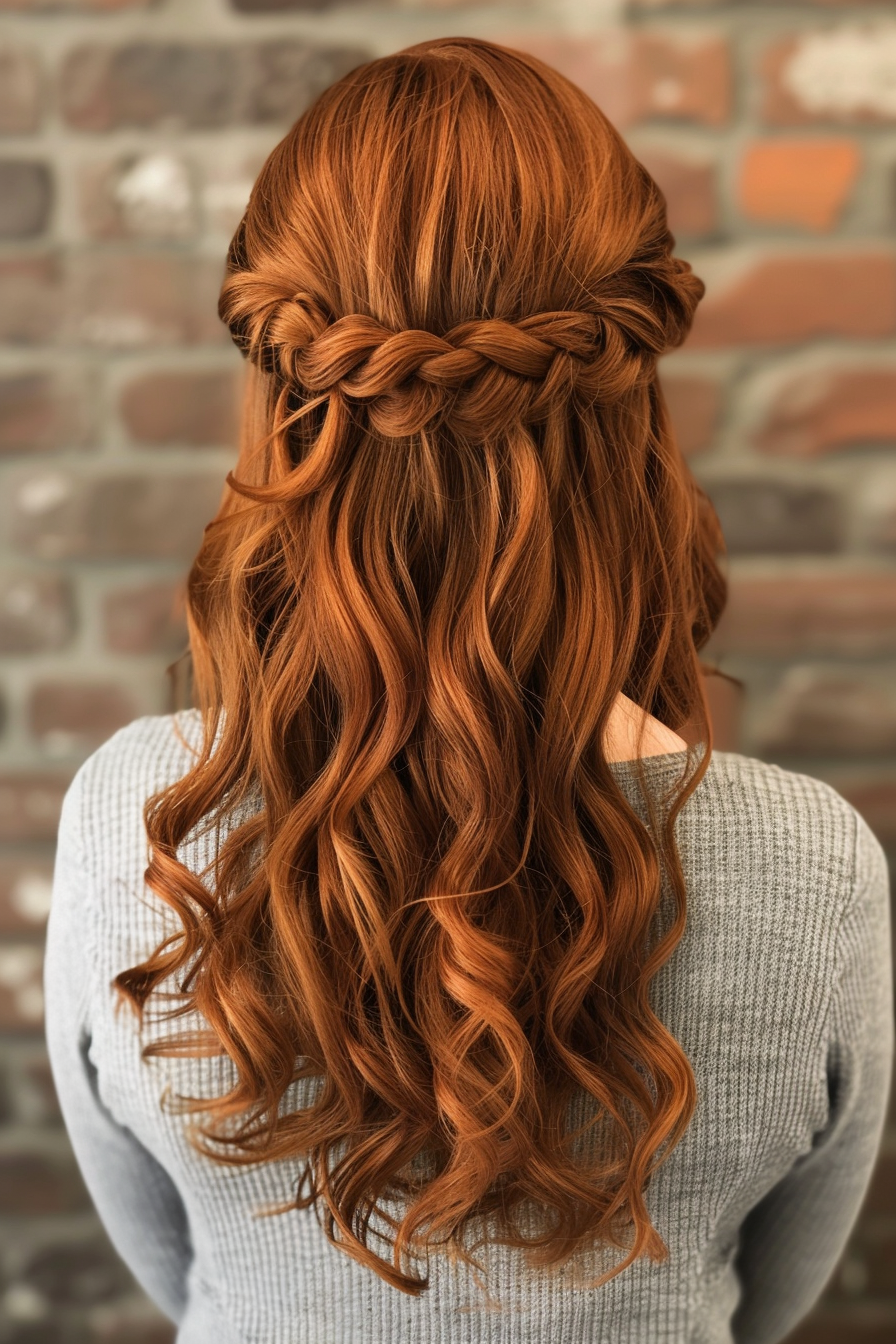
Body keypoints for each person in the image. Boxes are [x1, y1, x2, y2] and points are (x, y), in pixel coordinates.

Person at [44, 36, 892, 1344]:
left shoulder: (132, 823)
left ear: (284, 398)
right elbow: (768, 1299)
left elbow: (183, 1273)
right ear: (631, 405)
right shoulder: (809, 865)